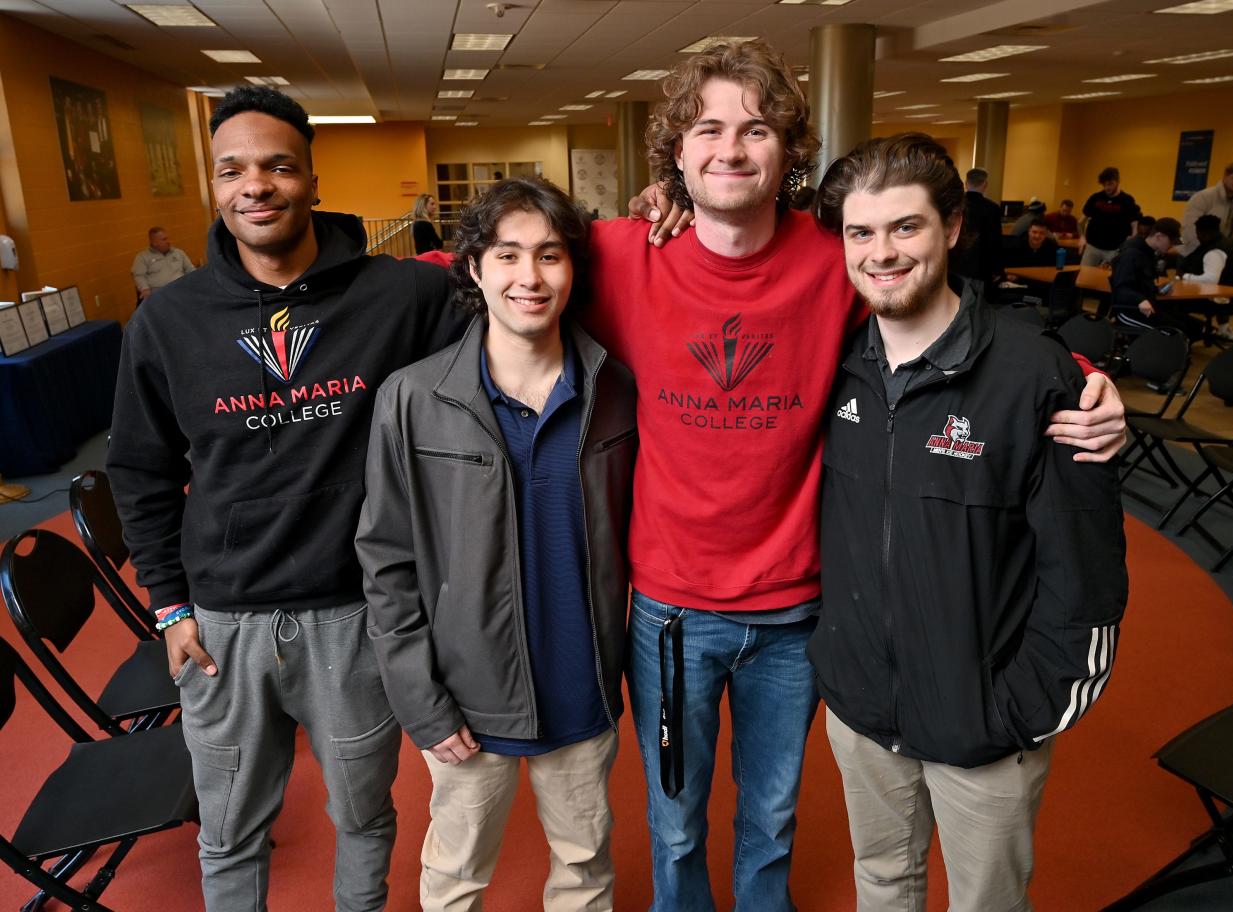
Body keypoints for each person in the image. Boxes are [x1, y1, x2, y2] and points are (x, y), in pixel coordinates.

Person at [613, 40, 1126, 912]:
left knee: (773, 821)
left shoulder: (832, 258)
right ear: (676, 151)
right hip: (674, 608)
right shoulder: (620, 253)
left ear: (788, 153)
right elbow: (498, 278)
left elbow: (965, 335)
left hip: (794, 611)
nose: (730, 149)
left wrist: (1085, 383)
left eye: (755, 129)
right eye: (706, 130)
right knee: (675, 826)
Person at [107, 86, 466, 912]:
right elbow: (140, 470)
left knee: (363, 815)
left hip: (354, 616)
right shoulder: (166, 321)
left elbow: (522, 303)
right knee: (228, 831)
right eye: (231, 170)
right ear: (213, 186)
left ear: (310, 177)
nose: (254, 185)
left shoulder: (400, 297)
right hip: (221, 623)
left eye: (276, 166)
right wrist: (168, 605)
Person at [810, 131, 1128, 912]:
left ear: (951, 227)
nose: (881, 253)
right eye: (860, 232)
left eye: (904, 227)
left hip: (985, 724)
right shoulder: (831, 363)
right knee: (881, 883)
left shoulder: (1036, 378)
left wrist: (1020, 711)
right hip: (861, 710)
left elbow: (1085, 578)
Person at [357, 178, 637, 912]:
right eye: (507, 254)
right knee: (455, 878)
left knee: (584, 869)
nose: (530, 277)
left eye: (550, 255)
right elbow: (386, 561)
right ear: (473, 269)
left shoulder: (614, 389)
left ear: (573, 270)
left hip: (580, 682)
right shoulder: (412, 398)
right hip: (465, 697)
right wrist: (421, 700)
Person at [1109, 216, 1190, 334]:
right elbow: (1121, 288)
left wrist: (1157, 290)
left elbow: (1140, 284)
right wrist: (1140, 300)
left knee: (1191, 326)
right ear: (1159, 237)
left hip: (1145, 307)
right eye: (1171, 242)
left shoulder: (1148, 254)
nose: (1171, 246)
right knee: (1176, 332)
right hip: (1129, 310)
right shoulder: (1131, 254)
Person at [1176, 213, 1233, 341]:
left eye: (1197, 233)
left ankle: (1185, 335)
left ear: (1203, 232)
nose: (1197, 236)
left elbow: (1211, 279)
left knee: (1173, 304)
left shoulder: (1215, 251)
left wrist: (1185, 276)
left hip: (1215, 299)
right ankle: (1221, 329)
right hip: (1230, 296)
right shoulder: (1230, 244)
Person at [956, 167, 1003, 303]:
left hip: (956, 263)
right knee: (979, 305)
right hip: (982, 265)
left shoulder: (956, 205)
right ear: (985, 185)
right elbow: (995, 241)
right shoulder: (992, 208)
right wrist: (997, 269)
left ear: (966, 183)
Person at [1080, 167, 1142, 267]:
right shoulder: (1095, 198)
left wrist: (1133, 238)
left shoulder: (1127, 200)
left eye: (1110, 184)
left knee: (1112, 278)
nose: (1107, 188)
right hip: (1093, 247)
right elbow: (1081, 221)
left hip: (1115, 249)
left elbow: (1134, 224)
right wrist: (1082, 237)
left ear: (1117, 181)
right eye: (1104, 185)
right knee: (1083, 274)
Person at [1179, 162, 1233, 256]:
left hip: (1223, 254)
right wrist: (1203, 251)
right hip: (1197, 253)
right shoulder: (1203, 197)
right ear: (1224, 177)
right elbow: (1189, 227)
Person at [132, 226, 194, 302]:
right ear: (154, 243)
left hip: (180, 291)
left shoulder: (178, 253)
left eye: (168, 238)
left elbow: (190, 269)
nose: (168, 241)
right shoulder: (142, 257)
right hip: (158, 295)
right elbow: (139, 275)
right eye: (164, 239)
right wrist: (145, 289)